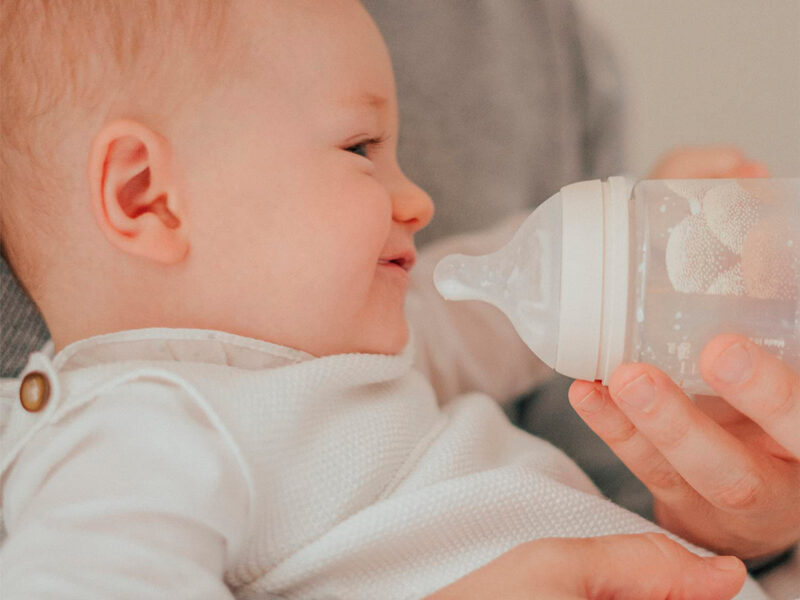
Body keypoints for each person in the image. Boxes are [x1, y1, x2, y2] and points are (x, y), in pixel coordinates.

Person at [0, 1, 786, 599]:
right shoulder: (144, 432)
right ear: (148, 197)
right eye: (360, 149)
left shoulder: (348, 340)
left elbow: (511, 293)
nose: (417, 200)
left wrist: (637, 235)